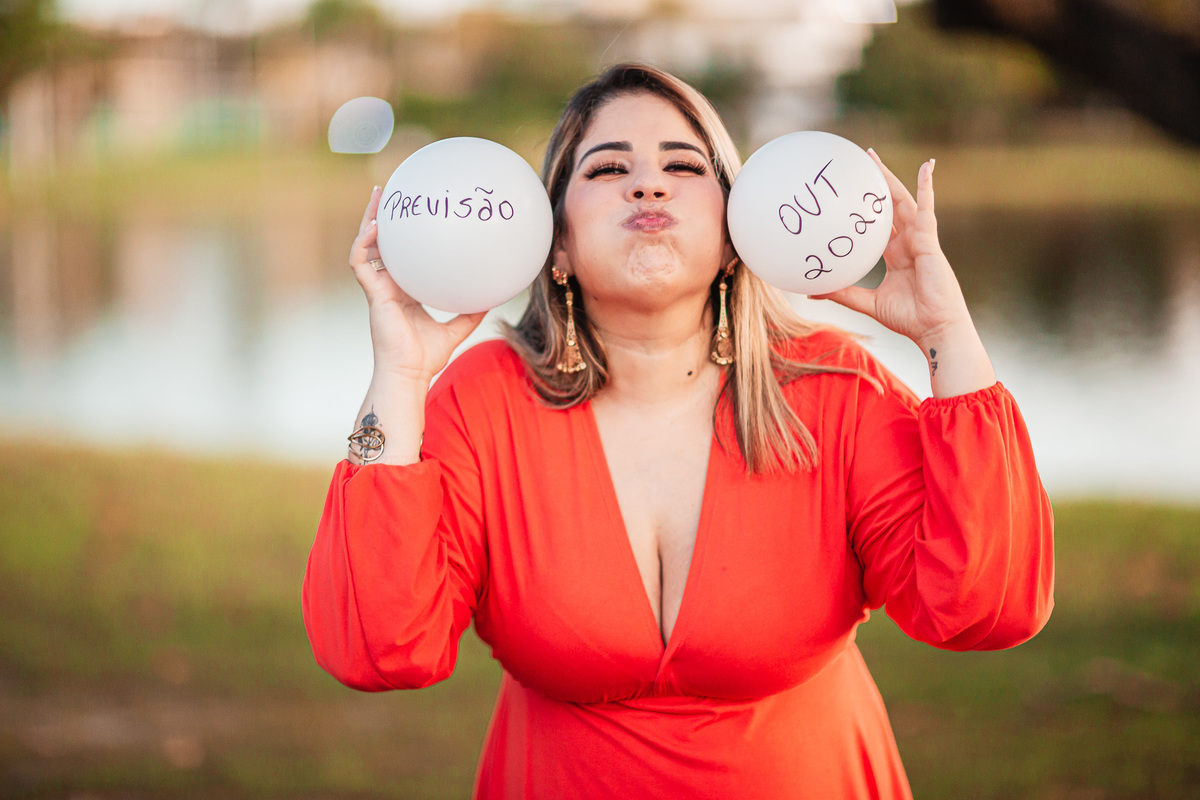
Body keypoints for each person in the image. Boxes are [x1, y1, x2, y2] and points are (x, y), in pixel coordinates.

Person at [302, 63, 1054, 799]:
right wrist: (399, 379)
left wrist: (947, 337)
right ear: (553, 243)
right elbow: (380, 646)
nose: (648, 183)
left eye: (683, 164)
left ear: (736, 232)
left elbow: (985, 606)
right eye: (606, 168)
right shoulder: (484, 401)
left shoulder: (834, 389)